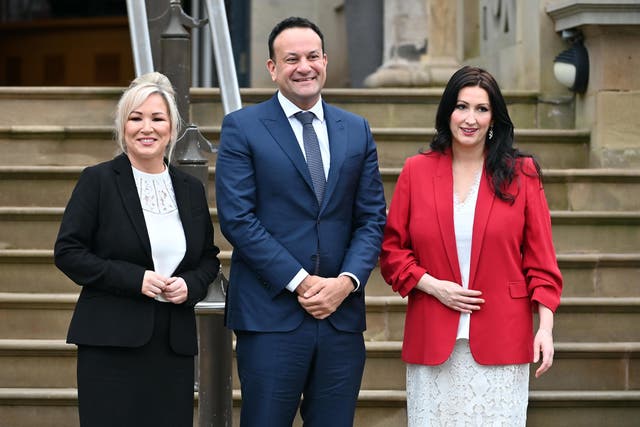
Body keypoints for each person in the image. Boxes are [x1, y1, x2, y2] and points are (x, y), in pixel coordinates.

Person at [215, 16, 387, 427]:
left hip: (340, 317)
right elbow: (237, 219)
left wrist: (346, 282)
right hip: (271, 315)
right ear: (272, 68)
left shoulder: (357, 130)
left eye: (312, 56)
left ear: (325, 61)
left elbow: (372, 218)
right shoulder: (243, 127)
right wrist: (301, 281)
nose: (304, 66)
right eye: (291, 59)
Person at [379, 66, 563, 425]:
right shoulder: (416, 171)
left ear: (494, 118)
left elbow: (542, 263)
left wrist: (545, 327)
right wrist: (433, 286)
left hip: (503, 337)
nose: (470, 119)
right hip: (432, 337)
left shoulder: (522, 174)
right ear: (448, 111)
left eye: (481, 109)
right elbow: (392, 252)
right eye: (462, 106)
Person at [54, 72, 220, 427]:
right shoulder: (97, 180)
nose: (147, 128)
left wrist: (190, 285)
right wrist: (135, 279)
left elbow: (208, 257)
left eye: (157, 118)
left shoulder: (189, 189)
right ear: (123, 127)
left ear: (172, 129)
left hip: (172, 345)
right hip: (110, 343)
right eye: (136, 117)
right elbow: (68, 251)